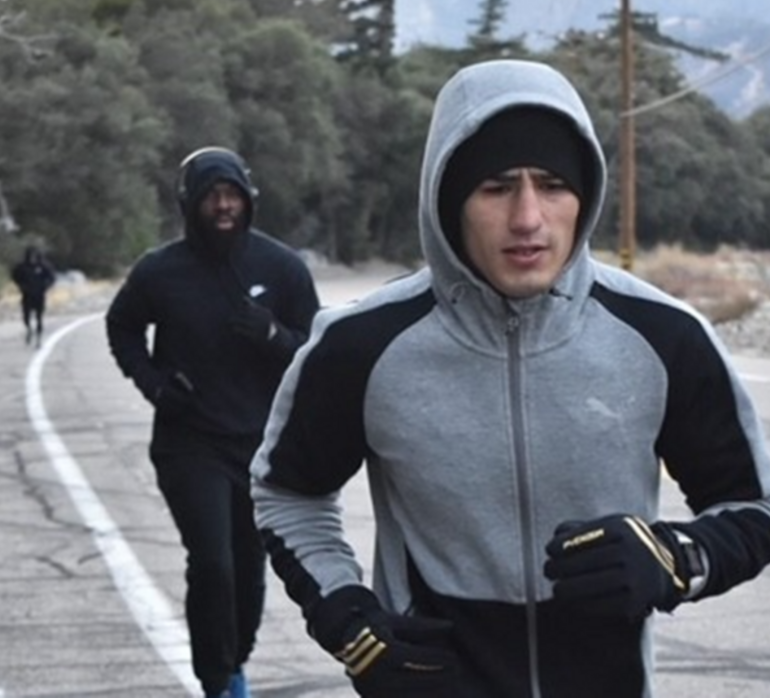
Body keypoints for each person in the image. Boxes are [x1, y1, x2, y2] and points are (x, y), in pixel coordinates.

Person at [250, 60, 770, 698]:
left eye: (552, 185)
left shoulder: (663, 336)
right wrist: (348, 617)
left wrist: (675, 559)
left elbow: (752, 506)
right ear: (450, 200)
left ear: (584, 196)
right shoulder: (363, 344)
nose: (528, 218)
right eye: (497, 187)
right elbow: (287, 493)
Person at [106, 146, 320, 698]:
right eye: (211, 196)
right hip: (188, 443)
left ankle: (234, 663)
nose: (223, 206)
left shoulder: (282, 268)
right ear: (191, 203)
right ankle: (217, 679)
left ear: (248, 200)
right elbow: (122, 327)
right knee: (213, 564)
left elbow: (316, 350)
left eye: (232, 196)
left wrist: (273, 336)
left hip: (259, 446)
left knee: (249, 572)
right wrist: (154, 384)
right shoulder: (161, 271)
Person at [12, 245, 56, 347]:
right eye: (31, 255)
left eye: (34, 256)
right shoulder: (22, 267)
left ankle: (39, 338)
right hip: (26, 295)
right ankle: (29, 329)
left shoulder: (44, 266)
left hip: (39, 295)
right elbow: (15, 276)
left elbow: (52, 277)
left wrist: (45, 286)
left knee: (39, 317)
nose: (33, 258)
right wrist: (21, 286)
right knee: (26, 316)